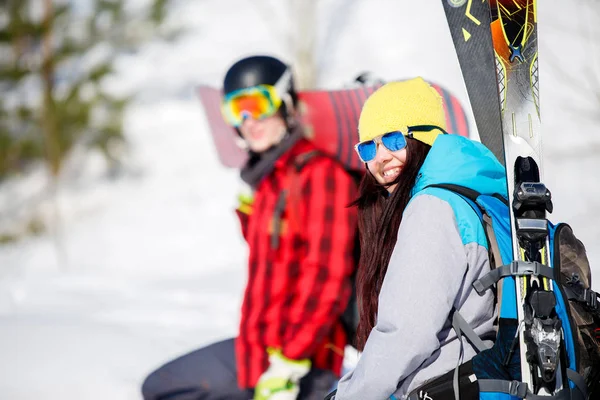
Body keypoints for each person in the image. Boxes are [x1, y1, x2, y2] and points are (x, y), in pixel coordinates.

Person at [142, 55, 359, 400]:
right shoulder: (268, 179)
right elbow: (273, 255)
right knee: (162, 387)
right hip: (256, 349)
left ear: (285, 103)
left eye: (257, 105)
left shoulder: (319, 175)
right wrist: (249, 211)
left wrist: (290, 362)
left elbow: (325, 277)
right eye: (235, 110)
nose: (248, 121)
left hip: (304, 360)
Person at [333, 77, 505, 399]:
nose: (381, 157)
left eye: (394, 140)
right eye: (369, 147)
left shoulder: (432, 208)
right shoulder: (470, 191)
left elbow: (405, 335)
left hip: (447, 386)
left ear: (423, 137)